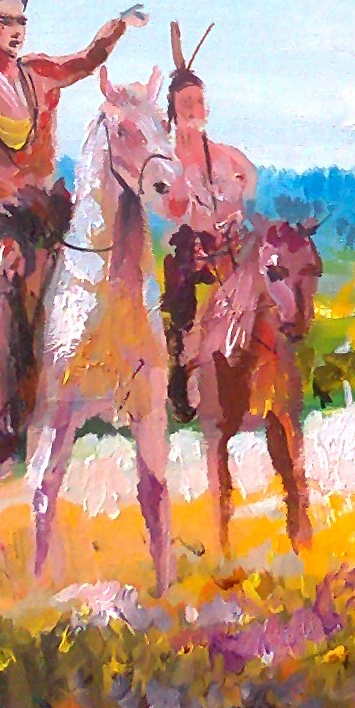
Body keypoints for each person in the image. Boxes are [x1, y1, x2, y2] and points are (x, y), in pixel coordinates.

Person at [0, 0, 146, 463]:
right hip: (9, 215)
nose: (16, 30)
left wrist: (119, 25)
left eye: (21, 20)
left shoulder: (39, 73)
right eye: (5, 20)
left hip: (54, 206)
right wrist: (7, 192)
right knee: (2, 273)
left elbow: (87, 61)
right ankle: (2, 414)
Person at [157, 23, 258, 421]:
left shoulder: (223, 152)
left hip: (228, 244)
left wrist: (237, 210)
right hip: (189, 248)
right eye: (185, 102)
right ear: (172, 109)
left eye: (198, 101)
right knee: (183, 280)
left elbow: (250, 177)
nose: (193, 109)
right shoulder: (167, 158)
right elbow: (168, 206)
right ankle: (182, 366)